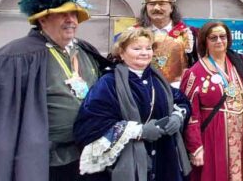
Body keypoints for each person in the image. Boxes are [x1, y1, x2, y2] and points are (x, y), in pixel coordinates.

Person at [0, 0, 110, 180]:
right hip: (46, 164)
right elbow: (0, 124)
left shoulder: (85, 50)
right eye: (63, 14)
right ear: (42, 18)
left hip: (88, 157)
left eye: (75, 15)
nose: (71, 21)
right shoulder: (15, 58)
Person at [74, 26, 191, 180]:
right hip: (128, 163)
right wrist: (139, 131)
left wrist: (178, 116)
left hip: (163, 159)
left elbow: (181, 100)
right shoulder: (108, 83)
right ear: (122, 53)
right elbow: (92, 124)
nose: (144, 53)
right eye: (137, 48)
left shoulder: (157, 79)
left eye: (148, 48)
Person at [180, 22, 243, 181]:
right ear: (205, 41)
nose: (219, 41)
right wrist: (195, 147)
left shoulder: (241, 62)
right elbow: (190, 115)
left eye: (222, 36)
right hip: (215, 137)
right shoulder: (195, 73)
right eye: (213, 37)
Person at [135, 0, 196, 86]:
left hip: (176, 93)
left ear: (171, 7)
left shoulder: (187, 33)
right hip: (142, 90)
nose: (156, 8)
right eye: (152, 4)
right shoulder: (134, 33)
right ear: (146, 7)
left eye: (162, 4)